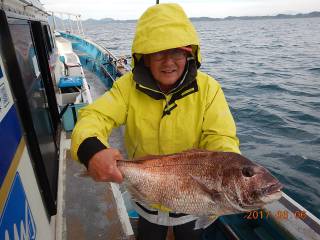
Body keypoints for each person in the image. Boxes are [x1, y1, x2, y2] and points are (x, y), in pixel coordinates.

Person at [71, 3, 240, 240]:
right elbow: (95, 116)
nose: (168, 62)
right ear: (145, 57)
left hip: (191, 207)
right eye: (158, 52)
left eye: (177, 52)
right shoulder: (127, 87)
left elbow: (221, 138)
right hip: (146, 200)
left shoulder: (209, 89)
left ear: (189, 53)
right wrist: (91, 150)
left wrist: (228, 173)